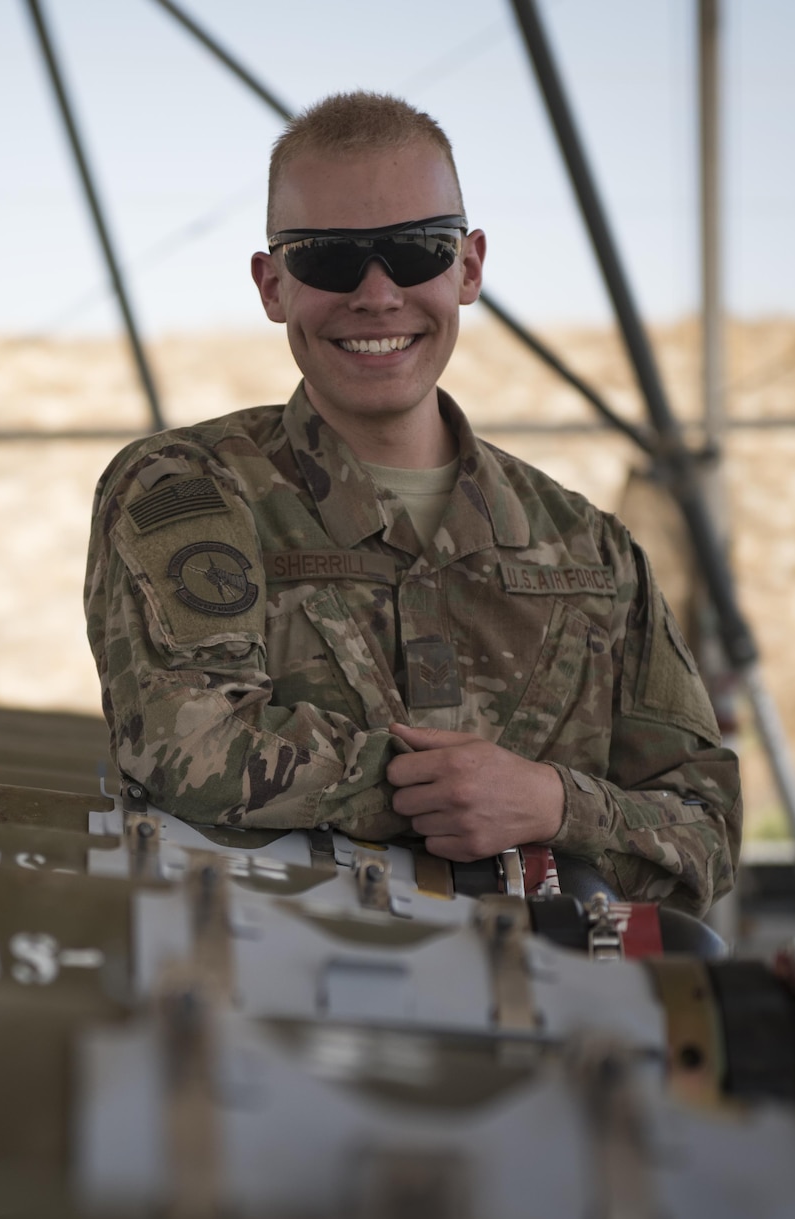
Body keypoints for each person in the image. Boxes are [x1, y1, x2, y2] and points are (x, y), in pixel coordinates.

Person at [81, 91, 737, 916]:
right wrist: (436, 792)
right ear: (272, 283)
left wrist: (548, 802)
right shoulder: (188, 488)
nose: (378, 293)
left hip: (556, 1017)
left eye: (417, 250)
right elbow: (189, 743)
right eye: (326, 258)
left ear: (468, 267)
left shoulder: (589, 551)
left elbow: (709, 830)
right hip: (271, 1009)